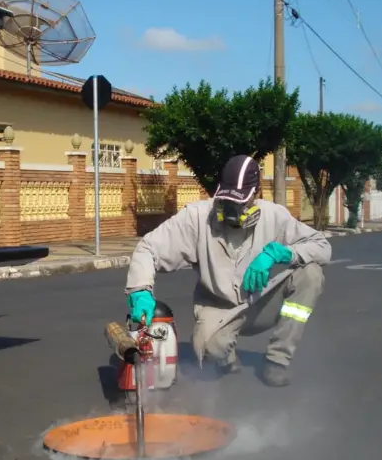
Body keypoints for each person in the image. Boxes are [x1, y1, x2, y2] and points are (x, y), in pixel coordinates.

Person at [124, 154, 331, 387]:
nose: (232, 210)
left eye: (240, 202)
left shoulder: (275, 217)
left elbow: (322, 246)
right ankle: (225, 354)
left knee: (310, 273)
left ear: (256, 195)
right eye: (227, 201)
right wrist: (140, 290)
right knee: (210, 353)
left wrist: (282, 253)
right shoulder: (197, 218)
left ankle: (277, 358)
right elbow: (148, 247)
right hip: (218, 307)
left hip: (260, 303)